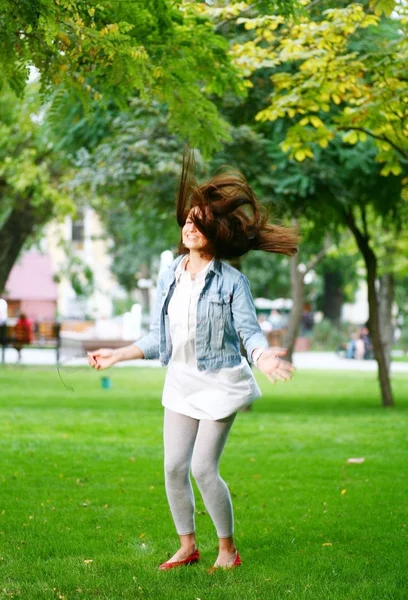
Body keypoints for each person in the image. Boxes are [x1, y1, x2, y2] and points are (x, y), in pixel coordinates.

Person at [88, 149, 299, 572]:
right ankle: (188, 546)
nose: (188, 227)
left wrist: (263, 357)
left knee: (204, 468)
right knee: (172, 467)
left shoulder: (233, 281)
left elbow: (249, 333)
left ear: (211, 231)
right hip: (182, 381)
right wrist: (118, 355)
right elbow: (157, 337)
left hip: (221, 381)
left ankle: (227, 549)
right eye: (186, 220)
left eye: (196, 222)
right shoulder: (170, 274)